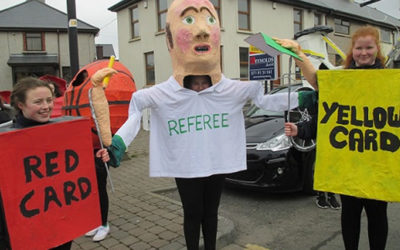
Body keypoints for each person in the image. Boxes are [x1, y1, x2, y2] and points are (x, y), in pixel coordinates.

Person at [93, 0, 303, 249]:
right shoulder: (164, 94)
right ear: (169, 40)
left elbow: (266, 99)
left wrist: (305, 90)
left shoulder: (229, 90)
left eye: (210, 20)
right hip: (186, 166)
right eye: (189, 20)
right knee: (192, 213)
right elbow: (136, 111)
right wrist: (116, 144)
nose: (201, 87)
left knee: (211, 213)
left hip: (216, 164)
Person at [280, 25, 388, 250]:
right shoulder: (340, 80)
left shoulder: (391, 82)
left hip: (377, 165)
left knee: (377, 216)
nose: (364, 52)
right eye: (359, 48)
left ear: (377, 49)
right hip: (347, 164)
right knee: (350, 214)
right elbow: (324, 110)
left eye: (369, 47)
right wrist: (300, 130)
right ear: (352, 51)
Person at [0, 77, 110, 250]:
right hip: (22, 234)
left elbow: (77, 180)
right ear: (20, 104)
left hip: (60, 231)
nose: (46, 106)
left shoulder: (63, 133)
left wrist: (97, 161)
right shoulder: (6, 143)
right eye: (38, 102)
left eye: (49, 100)